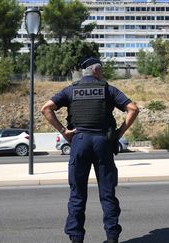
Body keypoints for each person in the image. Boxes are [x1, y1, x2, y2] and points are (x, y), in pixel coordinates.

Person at [41, 56, 139, 243]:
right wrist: (119, 133)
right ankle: (112, 238)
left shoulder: (71, 90)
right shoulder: (108, 90)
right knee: (107, 193)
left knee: (77, 193)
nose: (103, 74)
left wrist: (64, 131)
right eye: (101, 70)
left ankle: (76, 238)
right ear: (96, 71)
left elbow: (46, 108)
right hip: (103, 142)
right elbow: (133, 109)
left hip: (80, 141)